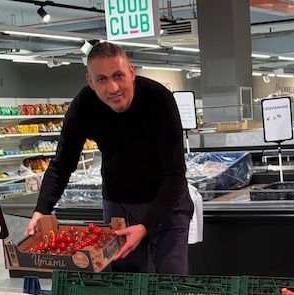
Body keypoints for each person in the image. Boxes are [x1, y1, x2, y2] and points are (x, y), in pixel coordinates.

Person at [27, 41, 192, 273]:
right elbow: (62, 163)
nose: (113, 88)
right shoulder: (84, 105)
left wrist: (145, 225)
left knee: (173, 282)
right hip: (119, 207)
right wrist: (41, 210)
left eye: (118, 75)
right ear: (91, 82)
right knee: (126, 286)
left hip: (166, 204)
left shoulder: (159, 100)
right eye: (102, 79)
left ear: (131, 72)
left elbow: (174, 175)